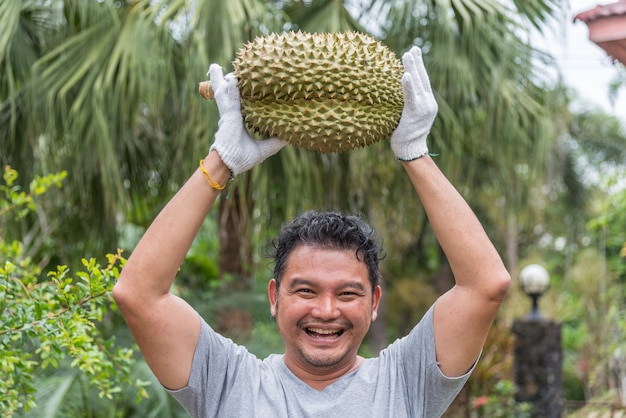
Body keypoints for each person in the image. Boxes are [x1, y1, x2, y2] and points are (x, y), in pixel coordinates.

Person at [112, 46, 511, 417]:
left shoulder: (406, 381)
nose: (325, 310)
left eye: (348, 293)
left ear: (374, 302)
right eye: (305, 290)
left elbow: (485, 285)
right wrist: (221, 163)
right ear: (275, 297)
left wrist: (415, 153)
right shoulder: (227, 380)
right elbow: (138, 295)